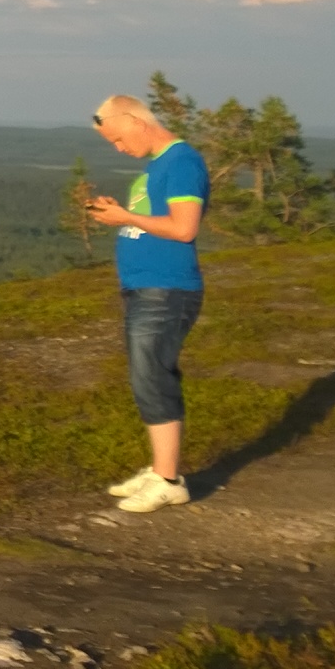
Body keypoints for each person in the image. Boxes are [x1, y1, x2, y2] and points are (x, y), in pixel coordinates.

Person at [84, 92, 206, 513]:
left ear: (136, 121)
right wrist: (119, 214)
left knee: (152, 376)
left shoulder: (181, 162)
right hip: (146, 287)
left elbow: (184, 228)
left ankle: (168, 481)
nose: (119, 148)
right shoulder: (157, 167)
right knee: (146, 376)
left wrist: (126, 218)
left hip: (166, 288)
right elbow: (155, 222)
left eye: (119, 139)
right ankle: (160, 471)